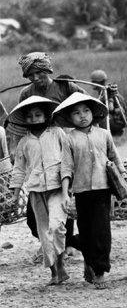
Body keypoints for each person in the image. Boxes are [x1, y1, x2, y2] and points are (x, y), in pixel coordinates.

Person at [5, 52, 84, 263]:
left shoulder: (65, 87)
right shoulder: (26, 93)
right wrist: (17, 150)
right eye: (30, 75)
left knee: (64, 201)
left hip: (62, 145)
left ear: (48, 70)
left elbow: (85, 105)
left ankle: (66, 246)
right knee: (35, 217)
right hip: (37, 152)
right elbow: (21, 123)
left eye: (39, 73)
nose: (35, 79)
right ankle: (51, 242)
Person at [55, 93, 127, 289]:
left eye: (86, 111)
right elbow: (66, 167)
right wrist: (65, 193)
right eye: (77, 113)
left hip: (103, 189)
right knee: (86, 233)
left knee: (102, 232)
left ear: (93, 113)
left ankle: (100, 271)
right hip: (81, 192)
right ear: (70, 118)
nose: (82, 116)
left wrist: (124, 180)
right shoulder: (69, 139)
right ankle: (90, 262)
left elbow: (115, 158)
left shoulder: (103, 134)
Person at [8, 96, 70, 285]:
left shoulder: (57, 133)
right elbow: (19, 169)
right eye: (30, 116)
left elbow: (68, 158)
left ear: (46, 116)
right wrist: (15, 194)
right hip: (36, 190)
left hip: (58, 187)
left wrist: (69, 188)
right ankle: (53, 272)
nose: (34, 119)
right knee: (44, 233)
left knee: (56, 226)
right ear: (25, 120)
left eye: (38, 115)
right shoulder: (24, 143)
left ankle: (60, 263)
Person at [90, 70, 127, 137]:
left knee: (100, 117)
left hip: (118, 121)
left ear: (98, 82)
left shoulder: (107, 92)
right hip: (118, 119)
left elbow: (110, 108)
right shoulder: (104, 90)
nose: (92, 84)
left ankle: (110, 134)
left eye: (93, 82)